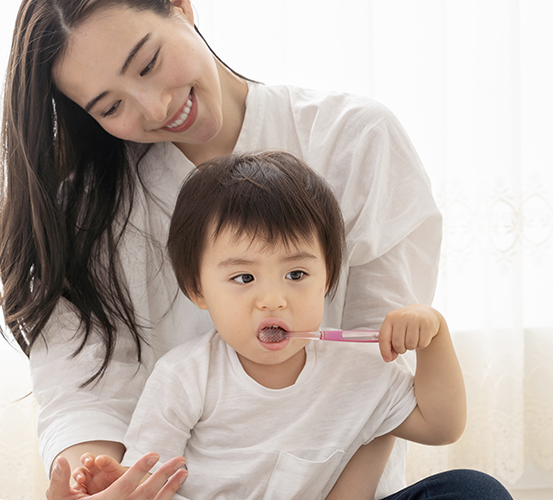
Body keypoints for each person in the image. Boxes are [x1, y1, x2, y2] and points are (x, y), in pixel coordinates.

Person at [0, 0, 464, 497]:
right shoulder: (88, 209)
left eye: (149, 63)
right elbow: (82, 394)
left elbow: (378, 372)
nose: (155, 108)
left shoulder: (356, 138)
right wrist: (98, 484)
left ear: (180, 7)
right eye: (111, 106)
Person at [69, 151, 506, 499]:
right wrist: (120, 482)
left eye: (296, 275)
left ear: (327, 278)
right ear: (197, 289)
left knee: (473, 489)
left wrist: (434, 337)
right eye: (244, 278)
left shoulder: (358, 369)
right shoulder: (184, 378)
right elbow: (152, 482)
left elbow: (442, 426)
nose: (273, 299)